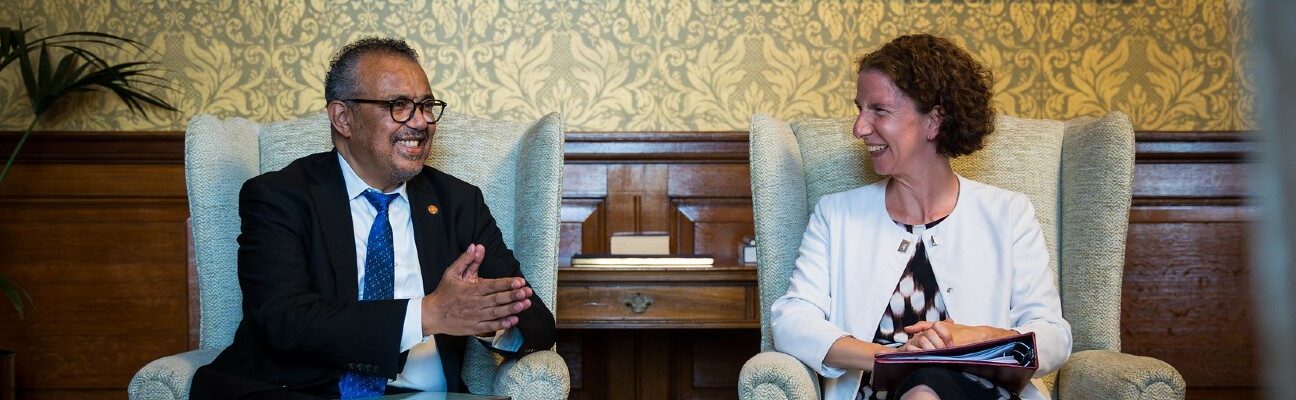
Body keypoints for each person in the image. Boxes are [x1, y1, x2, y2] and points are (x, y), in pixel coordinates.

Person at [189, 37, 556, 399]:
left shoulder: (458, 203)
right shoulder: (280, 197)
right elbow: (283, 321)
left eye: (426, 105)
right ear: (343, 117)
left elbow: (537, 325)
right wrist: (428, 314)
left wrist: (485, 318)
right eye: (399, 105)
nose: (421, 122)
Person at [770, 34, 1072, 400]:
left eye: (879, 111)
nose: (859, 128)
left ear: (934, 122)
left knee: (929, 385)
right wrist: (892, 358)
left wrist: (973, 338)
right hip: (879, 393)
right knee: (923, 385)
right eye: (860, 109)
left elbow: (1053, 336)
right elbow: (792, 320)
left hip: (982, 391)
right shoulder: (836, 215)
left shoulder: (1008, 213)